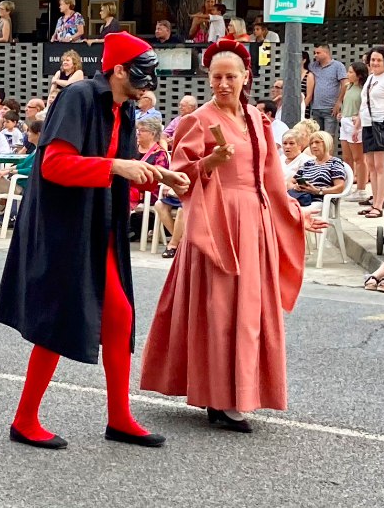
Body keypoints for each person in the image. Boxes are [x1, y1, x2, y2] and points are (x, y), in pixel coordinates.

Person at [0, 31, 187, 450]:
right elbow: (56, 165)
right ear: (118, 70)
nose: (147, 84)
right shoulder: (79, 96)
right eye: (141, 74)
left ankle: (119, 417)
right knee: (58, 319)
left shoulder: (124, 106)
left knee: (117, 315)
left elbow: (120, 162)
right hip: (65, 224)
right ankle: (24, 419)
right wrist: (117, 166)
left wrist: (162, 175)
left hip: (100, 222)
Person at [140, 39, 326, 434]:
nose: (223, 83)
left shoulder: (258, 121)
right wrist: (209, 161)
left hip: (254, 222)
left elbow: (272, 180)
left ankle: (233, 393)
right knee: (219, 309)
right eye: (216, 77)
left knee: (248, 311)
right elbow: (178, 177)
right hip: (216, 220)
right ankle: (220, 397)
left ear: (245, 78)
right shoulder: (198, 120)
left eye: (230, 76)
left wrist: (294, 214)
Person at [358, 46, 384, 218]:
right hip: (368, 124)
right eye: (373, 60)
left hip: (382, 124)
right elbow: (364, 102)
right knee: (371, 166)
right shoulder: (370, 78)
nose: (375, 63)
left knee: (380, 166)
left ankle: (379, 204)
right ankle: (374, 202)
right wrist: (358, 124)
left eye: (378, 60)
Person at [286, 131, 346, 207]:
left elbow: (339, 188)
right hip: (302, 195)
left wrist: (317, 191)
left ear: (326, 143)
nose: (314, 146)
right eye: (311, 143)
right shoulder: (308, 163)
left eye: (317, 142)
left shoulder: (334, 162)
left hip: (319, 199)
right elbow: (291, 181)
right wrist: (296, 187)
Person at [129, 116, 169, 211]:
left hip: (148, 191)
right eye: (138, 130)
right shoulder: (132, 149)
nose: (138, 133)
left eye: (142, 130)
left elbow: (159, 175)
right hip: (130, 185)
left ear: (152, 134)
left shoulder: (159, 153)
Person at [307, 43, 347, 136]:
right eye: (314, 53)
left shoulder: (338, 66)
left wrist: (338, 103)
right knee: (317, 136)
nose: (315, 55)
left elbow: (344, 84)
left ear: (326, 53)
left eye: (318, 53)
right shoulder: (313, 66)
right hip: (316, 107)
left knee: (328, 137)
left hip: (330, 108)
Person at [341, 61, 367, 201]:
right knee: (347, 157)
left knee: (359, 158)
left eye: (351, 72)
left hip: (355, 122)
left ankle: (361, 189)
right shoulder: (348, 86)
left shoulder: (363, 89)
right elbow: (346, 103)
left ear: (358, 75)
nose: (348, 74)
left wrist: (358, 118)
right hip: (345, 120)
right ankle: (347, 185)